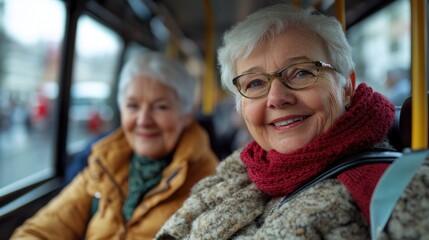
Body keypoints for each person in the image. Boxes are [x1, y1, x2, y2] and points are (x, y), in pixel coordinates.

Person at [156, 4, 399, 239]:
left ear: (347, 86)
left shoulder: (389, 191)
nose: (276, 98)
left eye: (302, 72)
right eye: (255, 83)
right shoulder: (245, 169)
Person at [11, 51, 219, 239]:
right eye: (133, 106)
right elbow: (40, 230)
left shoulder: (211, 183)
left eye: (161, 107)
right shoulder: (104, 163)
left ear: (186, 116)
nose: (143, 120)